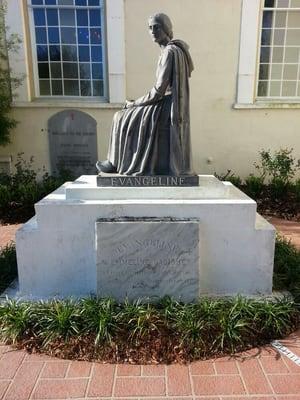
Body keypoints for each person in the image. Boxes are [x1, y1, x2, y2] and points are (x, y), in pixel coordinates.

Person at [96, 13, 194, 176]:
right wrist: (138, 102)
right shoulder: (167, 51)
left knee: (122, 116)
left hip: (165, 106)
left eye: (157, 27)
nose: (153, 31)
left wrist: (135, 103)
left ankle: (115, 163)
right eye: (150, 28)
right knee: (123, 115)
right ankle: (114, 161)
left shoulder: (170, 52)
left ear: (166, 28)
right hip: (163, 102)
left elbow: (158, 92)